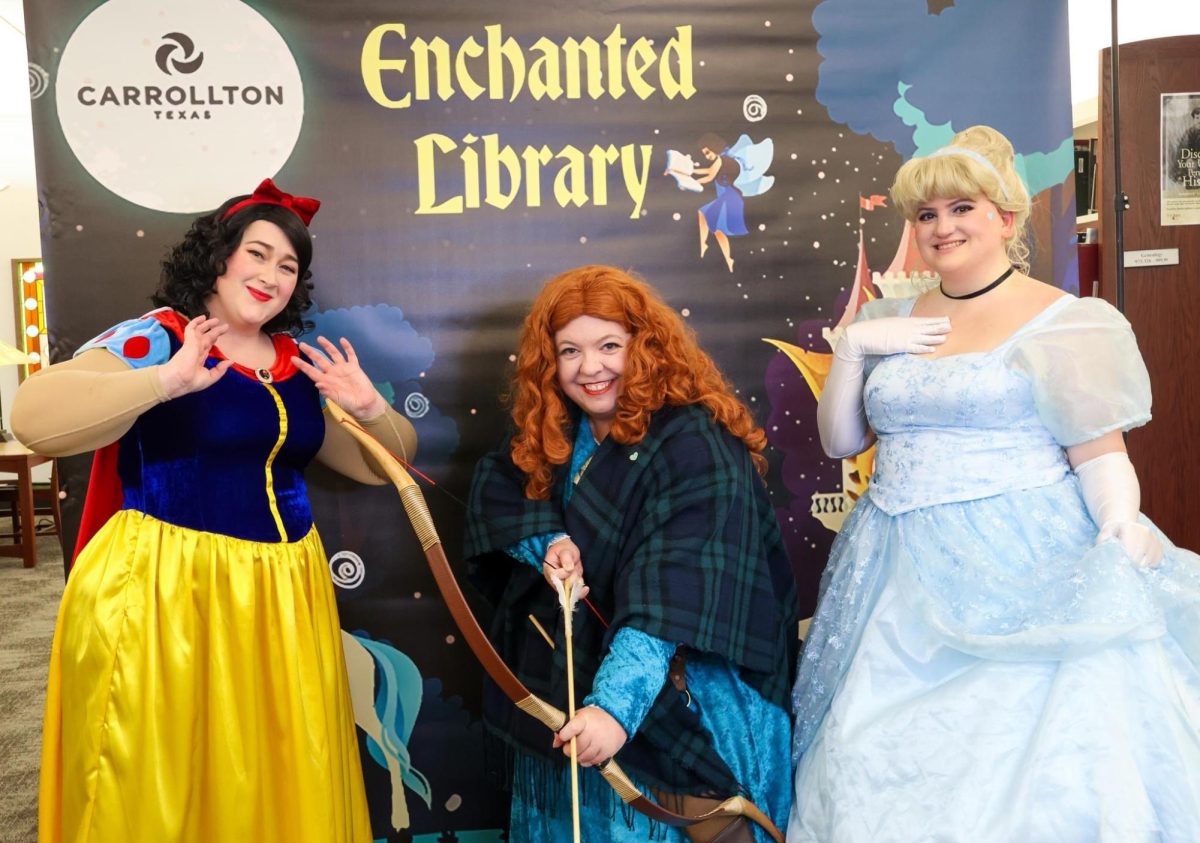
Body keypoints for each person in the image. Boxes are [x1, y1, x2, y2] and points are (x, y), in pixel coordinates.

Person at [787, 125, 1200, 842]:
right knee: (870, 749)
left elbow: (1098, 451)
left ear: (1005, 219)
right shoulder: (888, 319)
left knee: (1034, 762)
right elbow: (841, 441)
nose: (941, 228)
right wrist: (853, 349)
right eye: (925, 215)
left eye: (960, 209)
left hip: (1024, 557)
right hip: (895, 567)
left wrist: (1120, 519)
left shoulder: (1064, 322)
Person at [14, 179, 417, 843]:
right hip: (165, 590)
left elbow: (388, 466)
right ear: (218, 257)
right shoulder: (158, 338)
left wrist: (371, 407)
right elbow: (33, 418)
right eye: (257, 253)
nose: (272, 275)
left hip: (284, 597)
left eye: (289, 265)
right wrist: (165, 381)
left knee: (276, 768)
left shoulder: (295, 366)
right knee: (159, 769)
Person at [465, 265, 797, 841]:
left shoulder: (699, 442)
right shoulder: (559, 427)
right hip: (579, 685)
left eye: (609, 346)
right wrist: (551, 542)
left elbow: (672, 593)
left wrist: (613, 711)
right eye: (569, 350)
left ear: (645, 348)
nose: (589, 368)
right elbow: (503, 486)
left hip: (679, 691)